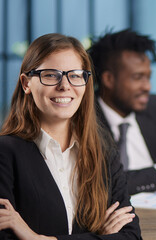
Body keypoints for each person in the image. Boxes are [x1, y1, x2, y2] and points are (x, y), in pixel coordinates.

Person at [0, 33, 141, 239]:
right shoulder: (5, 153)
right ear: (26, 83)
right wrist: (99, 236)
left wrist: (39, 238)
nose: (65, 85)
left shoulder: (103, 151)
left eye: (75, 75)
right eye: (50, 75)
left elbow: (131, 236)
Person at [88, 29, 156, 195]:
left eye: (148, 77)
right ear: (108, 79)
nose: (147, 87)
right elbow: (97, 184)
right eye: (138, 77)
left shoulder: (155, 106)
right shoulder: (83, 117)